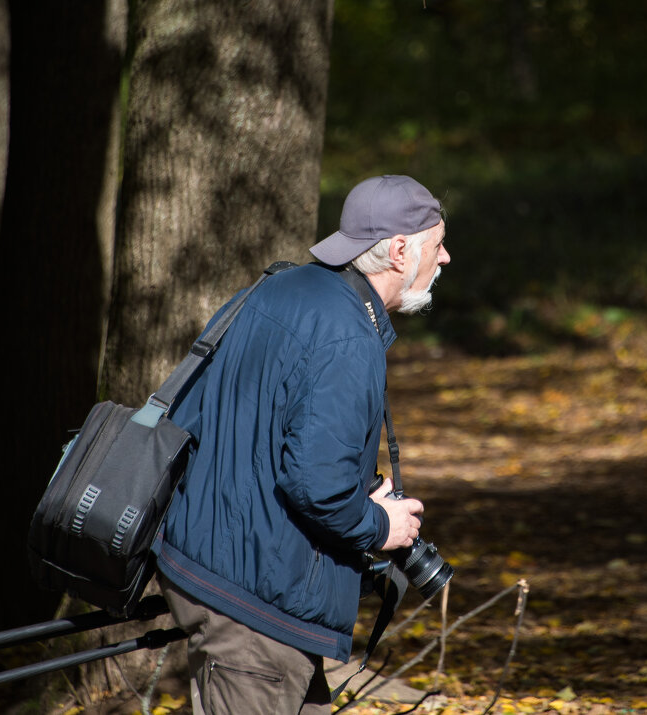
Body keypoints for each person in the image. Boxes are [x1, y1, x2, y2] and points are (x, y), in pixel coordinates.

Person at [153, 175, 451, 714]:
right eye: (437, 244)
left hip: (218, 567)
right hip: (253, 601)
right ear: (401, 250)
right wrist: (383, 525)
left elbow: (247, 423)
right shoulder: (346, 335)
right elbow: (316, 485)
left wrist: (361, 492)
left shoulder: (284, 286)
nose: (446, 258)